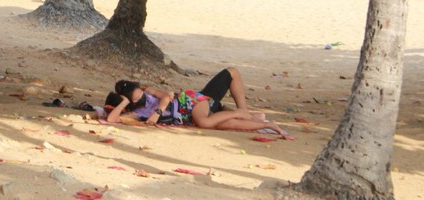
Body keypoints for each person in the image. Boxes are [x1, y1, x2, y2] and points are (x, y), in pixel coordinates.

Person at [106, 68, 291, 139]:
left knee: (204, 122)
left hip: (189, 102)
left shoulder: (150, 93)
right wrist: (123, 103)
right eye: (136, 99)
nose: (142, 98)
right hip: (189, 115)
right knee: (226, 125)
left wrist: (159, 109)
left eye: (140, 93)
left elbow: (168, 95)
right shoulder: (136, 113)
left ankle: (241, 112)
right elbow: (112, 120)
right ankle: (269, 125)